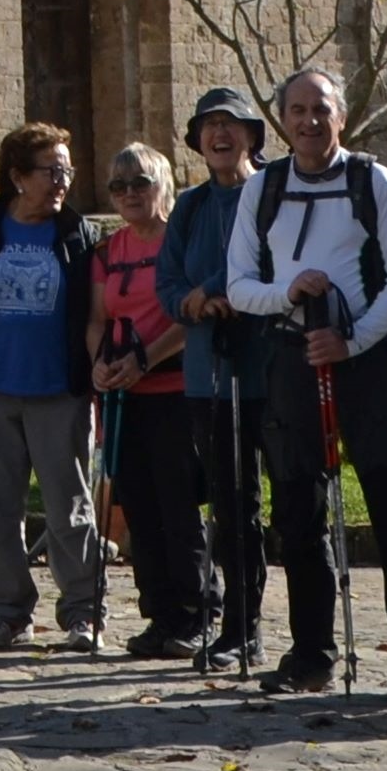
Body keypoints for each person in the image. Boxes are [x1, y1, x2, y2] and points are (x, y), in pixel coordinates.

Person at [223, 66, 387, 702]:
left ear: (339, 116)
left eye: (321, 109)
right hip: (291, 358)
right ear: (281, 119)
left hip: (361, 362)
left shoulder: (373, 181)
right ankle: (311, 654)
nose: (310, 121)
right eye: (297, 110)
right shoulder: (262, 189)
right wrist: (285, 293)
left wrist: (352, 341)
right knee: (297, 511)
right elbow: (238, 285)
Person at [0, 121, 105, 653]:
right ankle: (8, 613)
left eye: (66, 171)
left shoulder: (78, 234)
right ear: (17, 176)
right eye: (50, 171)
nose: (61, 182)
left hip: (60, 392)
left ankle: (84, 612)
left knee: (69, 507)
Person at [157, 85, 272, 675]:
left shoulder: (272, 195)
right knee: (230, 506)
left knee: (292, 504)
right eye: (209, 127)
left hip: (271, 373)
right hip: (209, 376)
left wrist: (234, 294)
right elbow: (168, 282)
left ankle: (309, 634)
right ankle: (239, 629)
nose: (220, 136)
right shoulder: (191, 206)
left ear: (253, 136)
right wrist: (194, 302)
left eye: (232, 125)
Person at [86, 143, 203, 657]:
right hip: (124, 397)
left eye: (141, 183)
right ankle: (159, 615)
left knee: (178, 507)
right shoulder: (108, 252)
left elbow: (189, 315)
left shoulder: (183, 242)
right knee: (138, 507)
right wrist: (100, 365)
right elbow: (97, 318)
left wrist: (145, 360)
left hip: (174, 391)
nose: (130, 193)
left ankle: (196, 613)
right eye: (119, 185)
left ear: (164, 186)